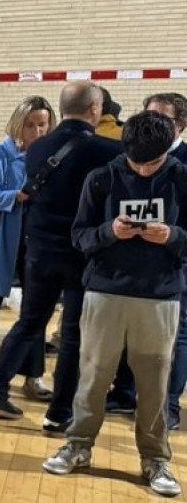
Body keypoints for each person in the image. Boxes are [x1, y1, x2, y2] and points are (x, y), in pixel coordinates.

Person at [42, 110, 187, 496]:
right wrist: (110, 232)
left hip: (159, 296)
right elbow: (81, 237)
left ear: (168, 150)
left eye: (152, 163)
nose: (142, 171)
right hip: (104, 292)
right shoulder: (101, 179)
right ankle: (78, 445)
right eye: (135, 162)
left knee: (155, 385)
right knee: (92, 377)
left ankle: (155, 459)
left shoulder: (182, 179)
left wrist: (172, 236)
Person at [0, 81, 123, 438]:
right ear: (95, 108)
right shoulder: (106, 151)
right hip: (80, 252)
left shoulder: (39, 147)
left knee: (30, 321)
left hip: (39, 249)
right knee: (73, 334)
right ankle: (59, 413)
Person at [0, 96, 56, 395]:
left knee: (36, 311)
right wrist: (19, 195)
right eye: (31, 125)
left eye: (42, 124)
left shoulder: (52, 157)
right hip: (2, 241)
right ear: (18, 124)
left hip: (38, 242)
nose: (37, 131)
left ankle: (33, 375)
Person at [107, 92, 187, 422]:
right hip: (130, 265)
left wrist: (173, 236)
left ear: (180, 126)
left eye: (162, 119)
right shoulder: (126, 160)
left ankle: (167, 406)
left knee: (176, 335)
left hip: (174, 265)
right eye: (147, 116)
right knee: (129, 332)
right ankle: (124, 393)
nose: (151, 124)